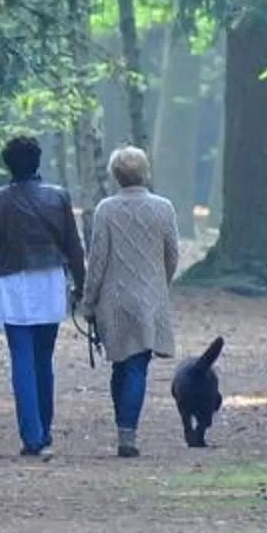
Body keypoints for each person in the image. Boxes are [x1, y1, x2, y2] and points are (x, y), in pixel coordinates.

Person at [0, 134, 85, 457]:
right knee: (43, 358)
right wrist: (81, 284)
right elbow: (73, 246)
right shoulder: (58, 197)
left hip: (12, 280)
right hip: (48, 279)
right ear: (37, 161)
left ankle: (31, 435)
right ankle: (44, 429)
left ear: (8, 164)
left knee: (21, 356)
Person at [81, 145, 179, 457]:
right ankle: (128, 434)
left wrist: (88, 300)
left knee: (120, 365)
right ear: (145, 172)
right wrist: (160, 283)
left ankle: (123, 427)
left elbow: (97, 261)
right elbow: (172, 255)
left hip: (114, 299)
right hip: (149, 299)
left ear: (115, 175)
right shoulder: (164, 208)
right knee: (138, 366)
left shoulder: (106, 210)